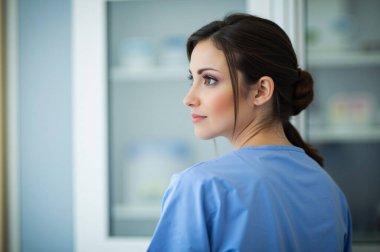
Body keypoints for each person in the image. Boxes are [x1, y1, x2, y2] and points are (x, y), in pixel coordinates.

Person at [147, 13, 352, 252]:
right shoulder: (329, 190)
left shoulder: (202, 186)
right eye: (192, 78)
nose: (188, 99)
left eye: (210, 80)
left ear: (261, 91)